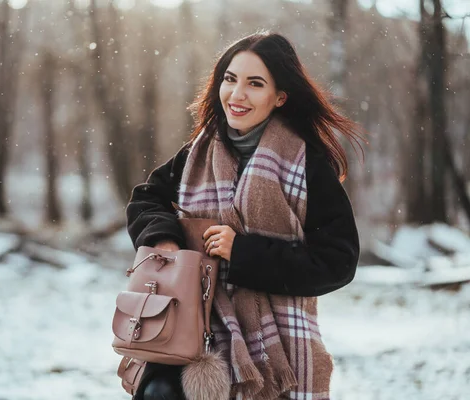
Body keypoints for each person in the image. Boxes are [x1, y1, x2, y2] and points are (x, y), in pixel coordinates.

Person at [126, 32, 362, 400]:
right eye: (230, 79)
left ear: (280, 97)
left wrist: (245, 253)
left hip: (278, 350)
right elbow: (145, 199)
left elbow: (338, 261)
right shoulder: (200, 152)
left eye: (255, 84)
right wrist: (165, 240)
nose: (236, 95)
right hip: (193, 326)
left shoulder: (307, 165)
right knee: (158, 392)